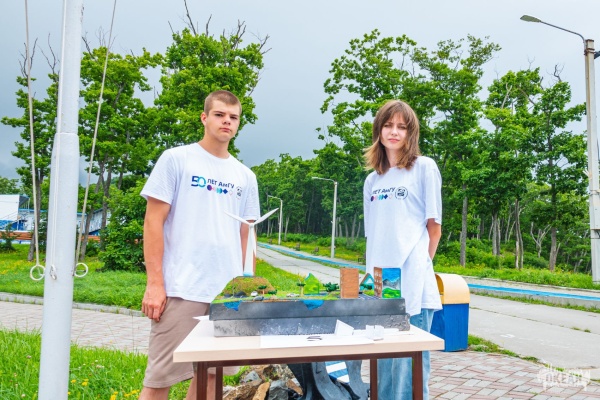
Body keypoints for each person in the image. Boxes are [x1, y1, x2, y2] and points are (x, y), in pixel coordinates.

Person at [138, 90, 260, 400]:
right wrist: (155, 283)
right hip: (182, 287)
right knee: (159, 378)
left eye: (233, 117)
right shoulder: (177, 159)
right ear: (204, 118)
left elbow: (247, 235)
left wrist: (248, 291)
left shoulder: (245, 176)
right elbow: (153, 221)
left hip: (227, 296)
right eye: (219, 115)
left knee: (212, 378)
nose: (226, 121)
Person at [363, 99, 442, 399]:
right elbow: (373, 236)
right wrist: (371, 286)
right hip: (381, 287)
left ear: (411, 133)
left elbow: (434, 228)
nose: (394, 132)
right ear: (379, 130)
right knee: (382, 370)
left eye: (401, 127)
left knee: (408, 375)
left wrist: (418, 268)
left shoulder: (424, 168)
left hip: (412, 285)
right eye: (388, 125)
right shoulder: (372, 180)